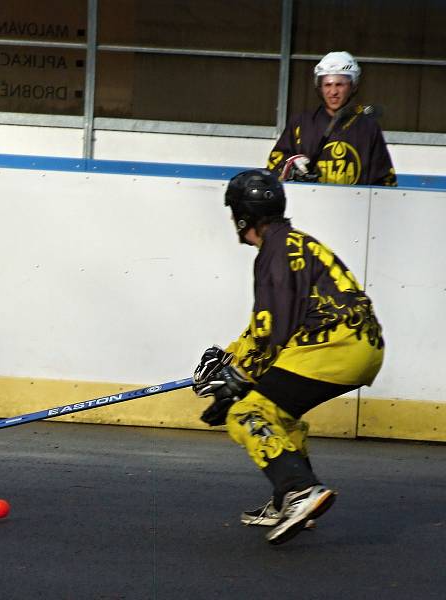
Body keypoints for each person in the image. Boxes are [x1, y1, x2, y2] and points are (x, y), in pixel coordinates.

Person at [191, 169, 384, 545]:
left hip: (333, 346)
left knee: (246, 412)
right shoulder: (295, 243)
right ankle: (288, 499)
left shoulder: (274, 254)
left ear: (242, 216)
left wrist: (238, 382)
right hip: (356, 346)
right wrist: (232, 360)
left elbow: (272, 330)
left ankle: (299, 490)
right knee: (278, 412)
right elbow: (263, 328)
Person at [267, 51, 396, 186]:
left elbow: (385, 180)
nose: (333, 92)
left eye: (340, 85)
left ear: (353, 86)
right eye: (328, 85)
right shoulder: (301, 123)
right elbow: (274, 162)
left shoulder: (369, 128)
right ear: (320, 88)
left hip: (354, 204)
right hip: (308, 202)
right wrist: (289, 163)